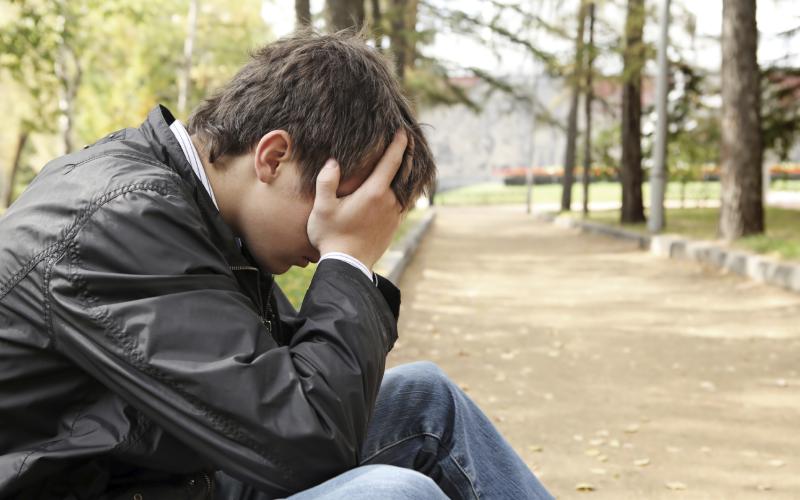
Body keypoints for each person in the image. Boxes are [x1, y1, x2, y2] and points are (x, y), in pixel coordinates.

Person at [0, 31, 553, 499]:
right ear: (273, 157)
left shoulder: (194, 210)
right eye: (333, 208)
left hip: (169, 478)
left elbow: (287, 388)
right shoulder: (119, 222)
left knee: (426, 399)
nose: (321, 240)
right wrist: (348, 260)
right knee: (391, 494)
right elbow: (307, 441)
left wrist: (345, 263)